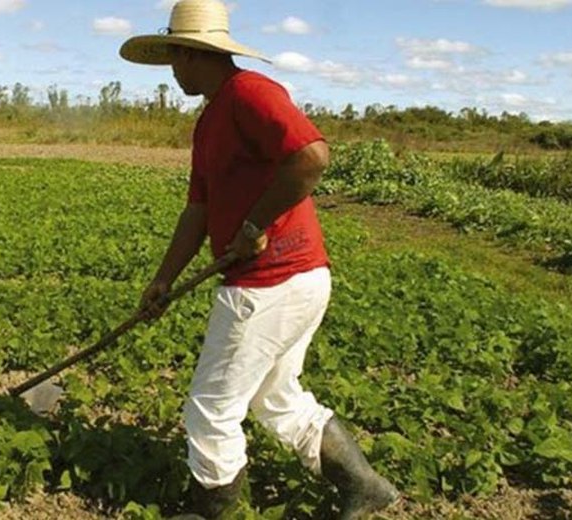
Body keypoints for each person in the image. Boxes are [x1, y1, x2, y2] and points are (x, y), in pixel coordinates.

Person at [120, 1, 399, 518]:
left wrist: (256, 224)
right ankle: (362, 484)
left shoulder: (250, 93)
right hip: (292, 280)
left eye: (174, 60)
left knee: (210, 409)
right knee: (276, 397)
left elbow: (311, 157)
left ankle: (212, 510)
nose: (173, 72)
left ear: (192, 54)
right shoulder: (209, 122)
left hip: (268, 283)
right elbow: (197, 211)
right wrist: (162, 280)